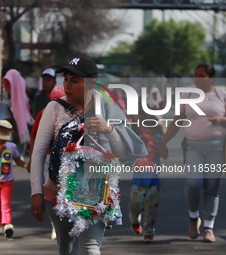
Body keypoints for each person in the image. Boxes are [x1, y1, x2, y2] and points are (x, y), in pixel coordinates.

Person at [30, 57, 147, 254]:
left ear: (91, 83)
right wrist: (36, 192)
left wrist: (109, 129)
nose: (67, 85)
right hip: (56, 192)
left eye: (74, 81)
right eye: (66, 79)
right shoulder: (54, 108)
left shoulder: (107, 108)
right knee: (66, 248)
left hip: (95, 192)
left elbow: (123, 153)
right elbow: (39, 151)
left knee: (91, 247)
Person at [157, 63, 226, 243]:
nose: (198, 78)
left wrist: (221, 119)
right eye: (196, 74)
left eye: (202, 75)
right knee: (193, 183)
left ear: (212, 78)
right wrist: (162, 141)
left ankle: (208, 227)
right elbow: (177, 121)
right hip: (193, 146)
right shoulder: (187, 95)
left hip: (217, 147)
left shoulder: (223, 95)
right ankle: (194, 218)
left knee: (211, 187)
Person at [28, 86, 65, 240]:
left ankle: (63, 224)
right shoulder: (45, 113)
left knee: (62, 191)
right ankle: (56, 226)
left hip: (65, 158)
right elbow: (34, 138)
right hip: (48, 159)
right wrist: (32, 158)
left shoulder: (71, 113)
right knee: (52, 192)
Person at [129, 114, 168, 242]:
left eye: (151, 128)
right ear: (140, 127)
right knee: (136, 204)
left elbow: (165, 155)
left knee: (151, 206)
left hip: (153, 180)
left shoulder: (158, 139)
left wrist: (158, 144)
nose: (148, 130)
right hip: (138, 180)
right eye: (145, 127)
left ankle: (148, 230)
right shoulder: (136, 139)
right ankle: (135, 220)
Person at [0, 120, 29, 238]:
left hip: (7, 180)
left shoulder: (12, 146)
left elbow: (17, 159)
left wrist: (26, 166)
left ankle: (8, 224)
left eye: (4, 138)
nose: (2, 141)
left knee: (6, 203)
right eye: (0, 137)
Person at [2, 69, 33, 157]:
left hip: (18, 124)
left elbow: (26, 111)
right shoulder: (7, 93)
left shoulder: (21, 93)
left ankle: (18, 155)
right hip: (9, 124)